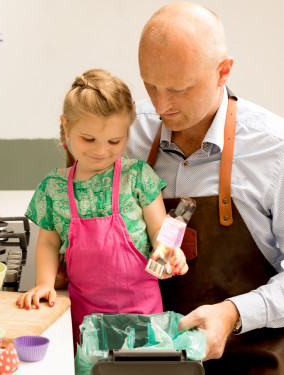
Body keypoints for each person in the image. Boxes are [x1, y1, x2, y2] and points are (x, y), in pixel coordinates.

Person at [127, 2, 284, 373]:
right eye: (150, 85)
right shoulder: (125, 134)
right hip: (138, 359)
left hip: (250, 359)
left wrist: (232, 312)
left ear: (222, 71)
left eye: (179, 89)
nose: (162, 105)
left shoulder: (274, 150)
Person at [16, 68, 188, 346]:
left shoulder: (138, 176)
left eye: (114, 141)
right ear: (66, 126)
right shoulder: (54, 187)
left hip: (143, 312)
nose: (101, 150)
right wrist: (45, 283)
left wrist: (169, 251)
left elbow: (160, 228)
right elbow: (48, 242)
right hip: (85, 317)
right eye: (88, 139)